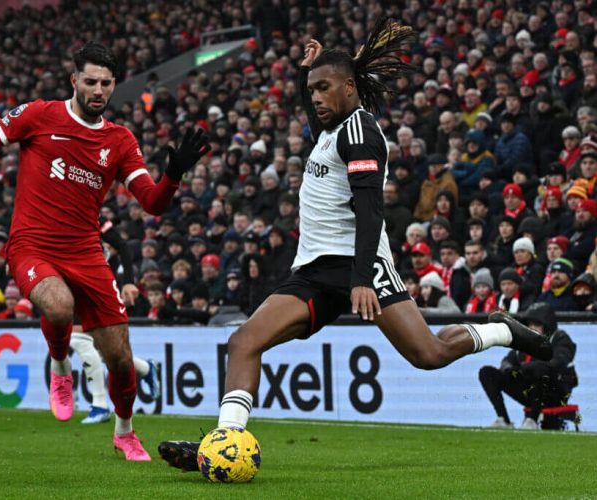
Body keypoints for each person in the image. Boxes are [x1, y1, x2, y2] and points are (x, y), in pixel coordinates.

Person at [158, 24, 552, 472]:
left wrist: (362, 279)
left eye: (325, 88)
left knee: (429, 354)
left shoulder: (360, 132)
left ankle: (502, 329)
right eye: (312, 91)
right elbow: (317, 112)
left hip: (359, 264)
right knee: (244, 340)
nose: (317, 97)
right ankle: (224, 444)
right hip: (313, 271)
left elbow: (370, 211)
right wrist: (308, 71)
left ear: (350, 88)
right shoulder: (331, 129)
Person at [0, 42, 209, 460]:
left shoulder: (120, 141)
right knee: (58, 306)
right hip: (32, 245)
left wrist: (173, 175)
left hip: (86, 252)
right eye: (90, 81)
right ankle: (59, 364)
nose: (98, 90)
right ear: (74, 80)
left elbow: (152, 203)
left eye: (106, 83)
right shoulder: (38, 115)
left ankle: (125, 432)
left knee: (121, 359)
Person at [69, 216, 160, 425]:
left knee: (79, 339)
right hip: (77, 279)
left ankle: (100, 405)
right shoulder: (57, 213)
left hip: (98, 280)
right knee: (103, 349)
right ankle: (145, 368)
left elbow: (122, 246)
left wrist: (128, 282)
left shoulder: (91, 214)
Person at [479, 303, 577, 430]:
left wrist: (525, 368)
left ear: (547, 325)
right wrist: (511, 370)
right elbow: (507, 361)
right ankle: (503, 419)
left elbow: (557, 361)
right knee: (487, 373)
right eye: (529, 325)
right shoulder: (525, 340)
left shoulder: (560, 338)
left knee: (540, 369)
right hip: (531, 390)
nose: (532, 328)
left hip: (556, 392)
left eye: (537, 325)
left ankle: (532, 420)